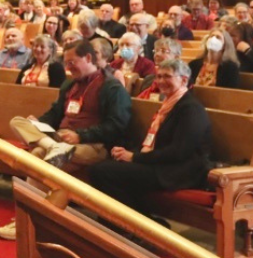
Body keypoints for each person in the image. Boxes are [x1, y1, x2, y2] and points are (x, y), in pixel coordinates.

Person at [0, 39, 131, 241]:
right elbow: (54, 113)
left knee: (37, 160)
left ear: (88, 58)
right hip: (58, 140)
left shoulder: (111, 87)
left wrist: (81, 136)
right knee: (17, 122)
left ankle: (25, 221)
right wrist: (38, 122)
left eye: (72, 63)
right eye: (66, 63)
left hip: (91, 146)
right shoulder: (70, 84)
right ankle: (53, 148)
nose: (68, 69)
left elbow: (116, 126)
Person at [89, 59, 211, 218]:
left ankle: (136, 223)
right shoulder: (169, 104)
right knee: (107, 167)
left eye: (167, 76)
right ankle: (128, 220)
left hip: (178, 170)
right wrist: (130, 153)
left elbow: (179, 151)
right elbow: (154, 141)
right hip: (160, 164)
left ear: (184, 80)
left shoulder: (191, 108)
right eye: (158, 76)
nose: (161, 81)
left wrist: (135, 157)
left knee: (101, 171)